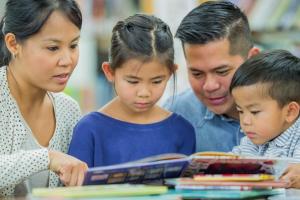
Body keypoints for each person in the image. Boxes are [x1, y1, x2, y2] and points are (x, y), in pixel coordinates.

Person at [68, 14, 196, 167]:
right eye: (132, 81)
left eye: (156, 81)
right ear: (110, 72)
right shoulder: (89, 129)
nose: (144, 92)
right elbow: (73, 188)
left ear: (171, 73)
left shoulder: (182, 131)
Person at [0, 0, 88, 196]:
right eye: (53, 48)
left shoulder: (69, 110)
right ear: (13, 44)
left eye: (73, 45)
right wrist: (47, 158)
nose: (67, 61)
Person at [164, 0, 259, 152]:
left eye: (222, 71)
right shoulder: (174, 116)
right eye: (197, 73)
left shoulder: (290, 105)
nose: (209, 86)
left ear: (252, 59)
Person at [230, 49, 300, 188]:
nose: (245, 121)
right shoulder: (250, 142)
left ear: (290, 112)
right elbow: (230, 160)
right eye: (240, 111)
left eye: (254, 112)